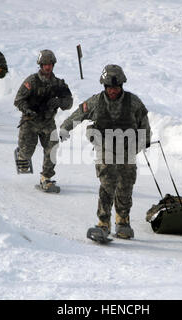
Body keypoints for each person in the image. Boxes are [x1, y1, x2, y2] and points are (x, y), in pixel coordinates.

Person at [60, 64, 151, 239]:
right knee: (108, 185)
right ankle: (103, 223)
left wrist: (145, 140)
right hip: (105, 147)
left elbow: (143, 122)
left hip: (127, 149)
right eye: (109, 88)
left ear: (121, 86)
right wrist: (65, 128)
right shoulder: (96, 102)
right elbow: (78, 114)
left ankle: (122, 221)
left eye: (116, 87)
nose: (113, 91)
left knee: (126, 185)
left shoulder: (133, 102)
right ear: (105, 87)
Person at [14, 49, 73, 192]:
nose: (48, 67)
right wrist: (27, 110)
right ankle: (21, 154)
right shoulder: (31, 81)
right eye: (45, 64)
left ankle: (46, 178)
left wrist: (59, 102)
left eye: (50, 64)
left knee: (52, 148)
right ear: (40, 65)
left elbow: (69, 102)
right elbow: (18, 100)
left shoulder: (58, 84)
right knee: (26, 154)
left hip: (47, 122)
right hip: (30, 121)